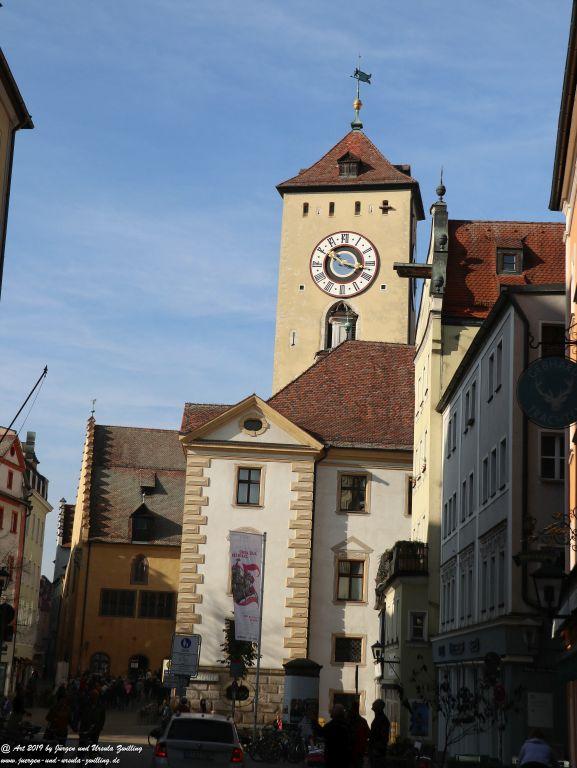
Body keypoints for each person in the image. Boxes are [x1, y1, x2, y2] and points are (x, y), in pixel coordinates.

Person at [322, 703, 351, 768]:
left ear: (336, 713)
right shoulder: (347, 724)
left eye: (333, 710)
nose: (331, 711)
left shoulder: (331, 725)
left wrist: (314, 722)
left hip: (333, 757)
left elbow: (322, 733)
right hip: (344, 757)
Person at [368, 700, 390, 768]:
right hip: (375, 750)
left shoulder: (382, 720)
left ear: (379, 708)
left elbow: (383, 737)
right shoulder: (379, 718)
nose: (373, 709)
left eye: (374, 707)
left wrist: (376, 749)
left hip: (378, 752)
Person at [348, 700, 370, 768]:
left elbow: (368, 734)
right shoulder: (362, 721)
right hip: (357, 749)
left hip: (353, 749)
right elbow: (368, 734)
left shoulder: (348, 720)